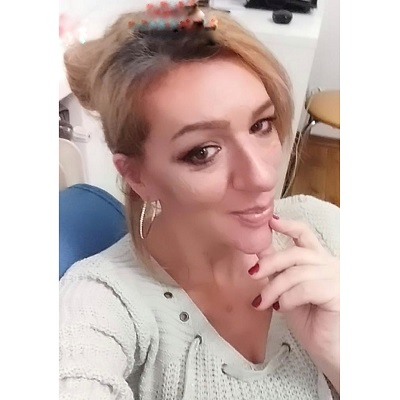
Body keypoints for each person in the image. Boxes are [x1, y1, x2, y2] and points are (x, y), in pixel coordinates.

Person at [60, 2, 340, 399]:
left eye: (261, 125)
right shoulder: (101, 303)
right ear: (137, 176)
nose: (262, 177)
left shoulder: (324, 230)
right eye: (203, 152)